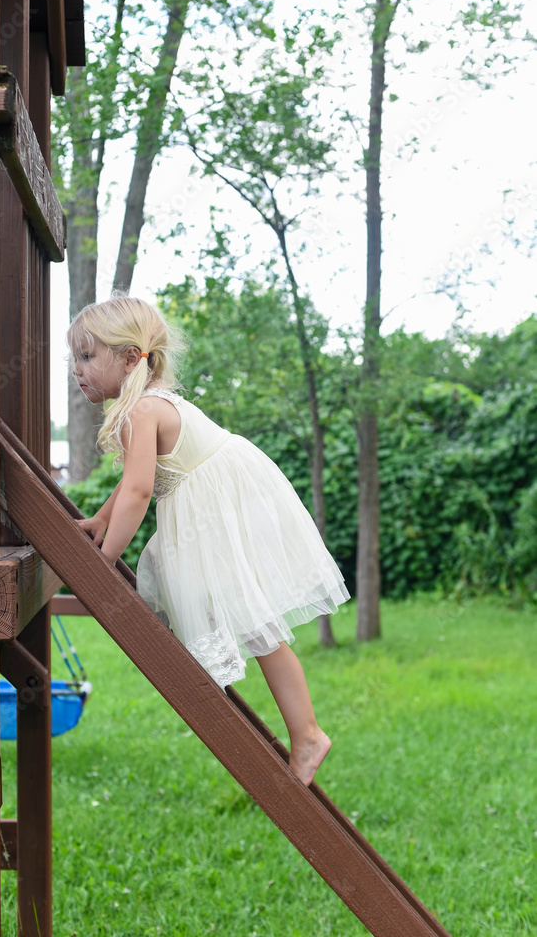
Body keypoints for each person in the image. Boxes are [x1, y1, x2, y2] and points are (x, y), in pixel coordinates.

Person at [68, 295, 349, 785]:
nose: (78, 369)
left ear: (132, 358)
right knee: (256, 625)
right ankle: (304, 732)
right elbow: (134, 482)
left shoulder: (143, 410)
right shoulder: (149, 407)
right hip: (216, 500)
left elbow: (138, 490)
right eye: (76, 358)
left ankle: (307, 734)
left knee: (253, 621)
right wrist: (99, 519)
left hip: (211, 510)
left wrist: (105, 557)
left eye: (88, 356)